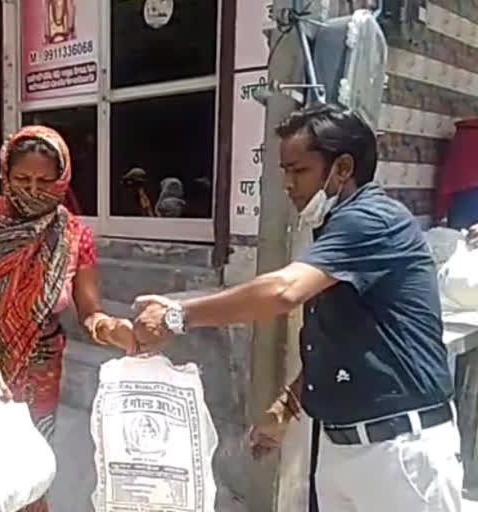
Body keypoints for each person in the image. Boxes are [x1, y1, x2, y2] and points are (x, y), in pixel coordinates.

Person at [133, 105, 462, 512]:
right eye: (284, 172)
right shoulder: (339, 228)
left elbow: (283, 290)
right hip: (343, 446)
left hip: (398, 453)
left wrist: (177, 315)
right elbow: (338, 343)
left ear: (342, 168)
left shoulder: (372, 221)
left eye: (298, 171)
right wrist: (284, 408)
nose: (287, 185)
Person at [0, 126, 136, 512]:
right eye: (22, 179)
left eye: (45, 180)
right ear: (5, 175)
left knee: (23, 475)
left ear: (63, 179)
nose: (33, 190)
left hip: (38, 373)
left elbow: (89, 312)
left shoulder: (73, 236)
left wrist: (113, 330)